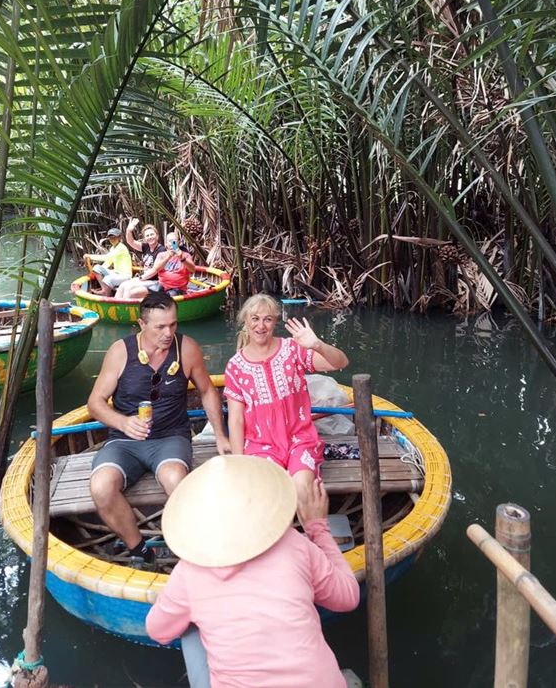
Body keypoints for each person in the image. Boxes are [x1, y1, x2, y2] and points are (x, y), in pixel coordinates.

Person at [146, 455, 359, 688]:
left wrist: (175, 602)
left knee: (188, 627)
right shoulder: (293, 542)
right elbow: (348, 597)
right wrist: (318, 528)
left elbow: (158, 631)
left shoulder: (189, 572)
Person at [88, 292, 231, 562]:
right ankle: (140, 550)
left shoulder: (186, 348)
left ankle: (189, 549)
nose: (168, 333)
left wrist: (220, 436)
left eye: (173, 324)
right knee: (101, 487)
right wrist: (123, 422)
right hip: (124, 441)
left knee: (175, 479)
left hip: (170, 438)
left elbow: (207, 391)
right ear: (142, 324)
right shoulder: (120, 352)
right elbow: (95, 403)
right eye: (160, 327)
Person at [224, 294, 348, 513]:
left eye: (268, 319)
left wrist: (317, 345)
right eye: (255, 318)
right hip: (261, 446)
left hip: (300, 439)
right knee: (268, 494)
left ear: (275, 322)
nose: (261, 326)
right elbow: (235, 420)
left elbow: (340, 362)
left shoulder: (292, 349)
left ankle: (314, 532)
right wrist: (238, 462)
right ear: (245, 321)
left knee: (302, 488)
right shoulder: (235, 366)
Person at [132, 231, 196, 299]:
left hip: (177, 288)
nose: (172, 243)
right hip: (161, 286)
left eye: (174, 241)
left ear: (179, 242)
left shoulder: (185, 255)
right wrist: (168, 257)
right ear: (166, 244)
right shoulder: (161, 255)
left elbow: (192, 269)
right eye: (169, 241)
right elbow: (156, 269)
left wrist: (182, 258)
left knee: (166, 299)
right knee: (136, 293)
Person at [115, 220, 165, 300]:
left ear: (157, 236)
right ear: (145, 238)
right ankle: (115, 305)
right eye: (147, 235)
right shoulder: (146, 247)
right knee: (122, 285)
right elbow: (131, 241)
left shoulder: (161, 250)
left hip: (155, 281)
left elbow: (154, 271)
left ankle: (126, 307)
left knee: (128, 288)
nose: (150, 237)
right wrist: (129, 230)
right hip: (145, 278)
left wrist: (140, 278)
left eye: (152, 234)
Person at [83, 227, 133, 296]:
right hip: (116, 273)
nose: (112, 240)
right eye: (110, 238)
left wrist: (90, 256)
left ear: (119, 238)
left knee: (107, 278)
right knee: (97, 268)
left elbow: (106, 257)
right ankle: (104, 289)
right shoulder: (113, 248)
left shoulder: (121, 248)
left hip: (125, 276)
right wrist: (97, 271)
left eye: (114, 237)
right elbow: (108, 261)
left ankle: (106, 293)